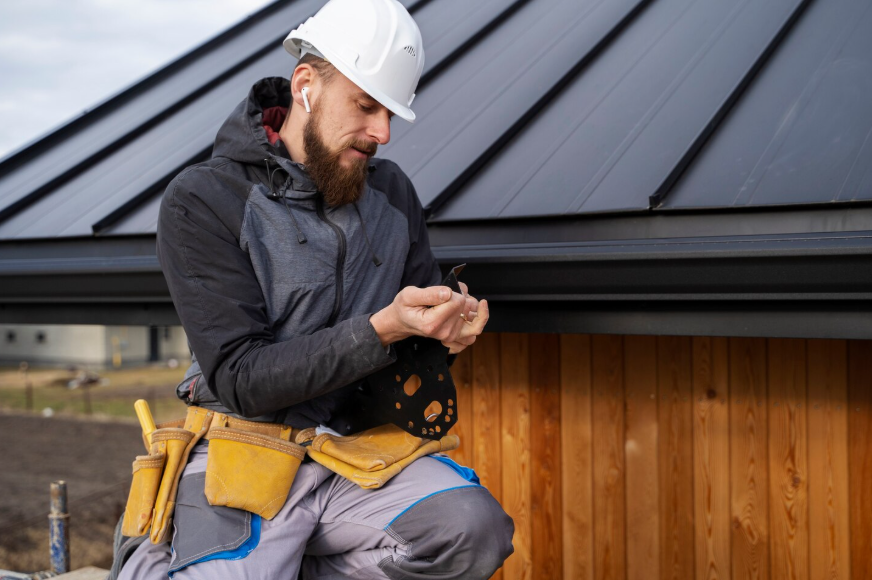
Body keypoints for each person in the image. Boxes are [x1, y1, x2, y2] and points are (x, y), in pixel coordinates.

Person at [112, 0, 514, 578]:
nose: (383, 132)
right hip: (241, 445)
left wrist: (443, 327)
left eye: (390, 113)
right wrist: (384, 327)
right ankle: (149, 561)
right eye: (366, 105)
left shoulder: (393, 194)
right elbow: (243, 379)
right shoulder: (204, 200)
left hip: (347, 451)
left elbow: (416, 318)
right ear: (306, 85)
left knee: (472, 532)